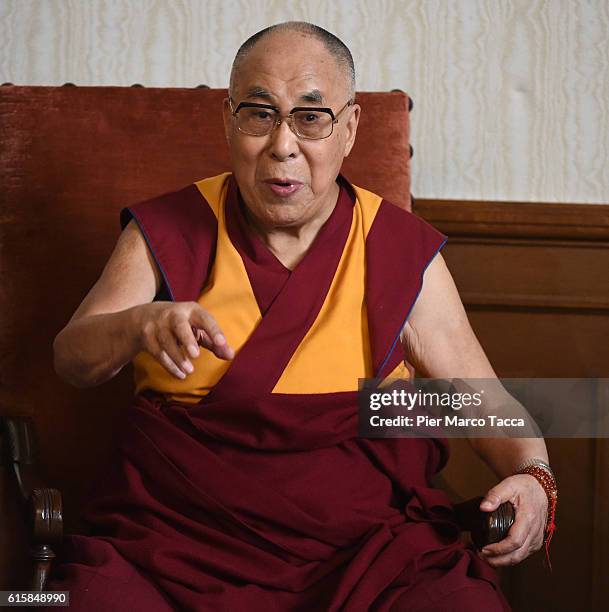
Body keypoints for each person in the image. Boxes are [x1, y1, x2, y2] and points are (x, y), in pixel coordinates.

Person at [50, 21, 553, 611]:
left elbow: (482, 402)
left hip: (367, 554)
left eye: (310, 117)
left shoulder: (393, 248)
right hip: (175, 546)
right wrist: (137, 324)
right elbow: (73, 357)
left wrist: (535, 476)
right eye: (259, 113)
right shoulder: (168, 230)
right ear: (228, 119)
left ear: (350, 128)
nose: (282, 144)